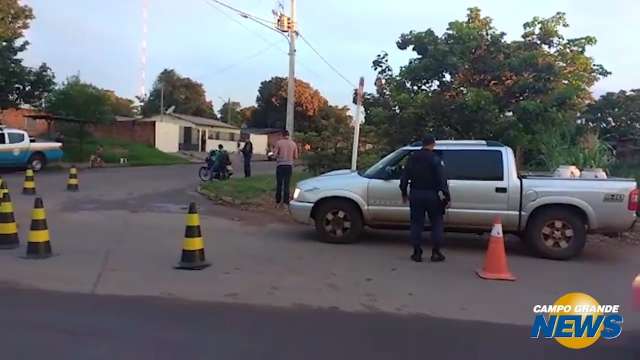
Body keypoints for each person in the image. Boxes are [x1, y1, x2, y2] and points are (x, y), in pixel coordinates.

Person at [399, 135, 450, 263]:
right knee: (437, 223)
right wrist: (447, 196)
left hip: (416, 194)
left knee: (416, 224)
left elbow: (404, 178)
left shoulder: (412, 158)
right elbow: (442, 179)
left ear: (422, 143)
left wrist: (404, 193)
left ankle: (417, 253)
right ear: (433, 144)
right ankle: (436, 252)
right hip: (432, 195)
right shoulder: (435, 159)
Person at [273, 129, 298, 207]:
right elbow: (296, 156)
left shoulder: (279, 143)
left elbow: (275, 155)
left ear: (282, 135)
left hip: (280, 165)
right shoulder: (293, 144)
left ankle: (278, 201)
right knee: (287, 184)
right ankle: (285, 202)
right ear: (288, 135)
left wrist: (277, 155)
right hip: (289, 165)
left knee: (279, 184)